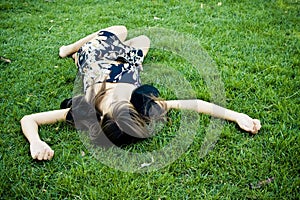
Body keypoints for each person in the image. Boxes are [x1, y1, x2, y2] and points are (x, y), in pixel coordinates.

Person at [20, 25, 261, 161]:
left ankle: (72, 51)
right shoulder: (139, 105)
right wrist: (236, 115)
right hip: (128, 65)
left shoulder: (87, 109)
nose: (121, 98)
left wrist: (36, 141)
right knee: (140, 38)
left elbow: (29, 119)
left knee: (120, 31)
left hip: (96, 56)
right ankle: (73, 52)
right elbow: (195, 103)